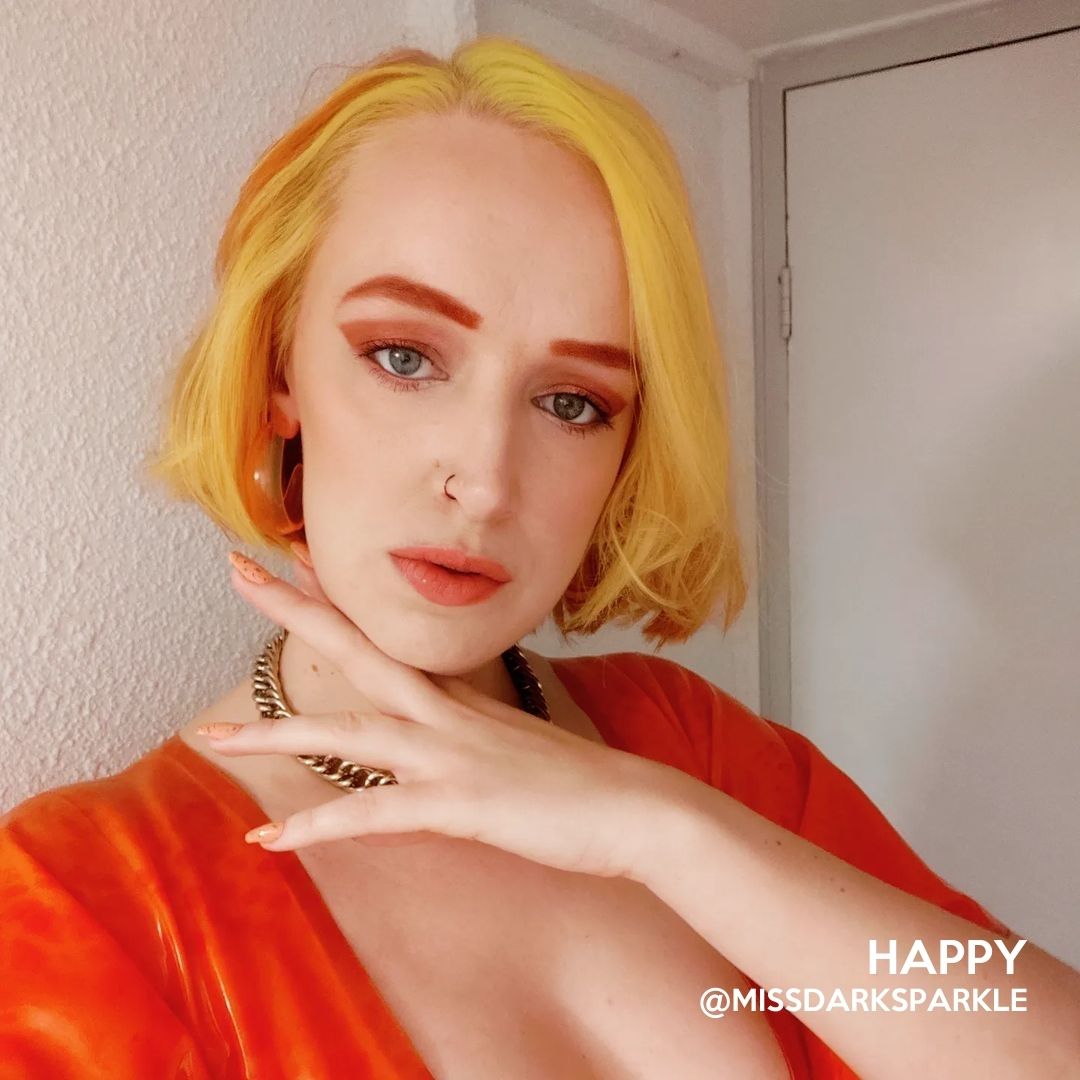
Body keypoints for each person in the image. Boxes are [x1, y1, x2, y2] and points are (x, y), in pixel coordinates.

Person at [1, 35, 1077, 1080]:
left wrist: (661, 830)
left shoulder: (699, 751)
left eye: (572, 403)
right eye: (403, 356)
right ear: (279, 368)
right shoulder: (83, 902)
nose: (486, 481)